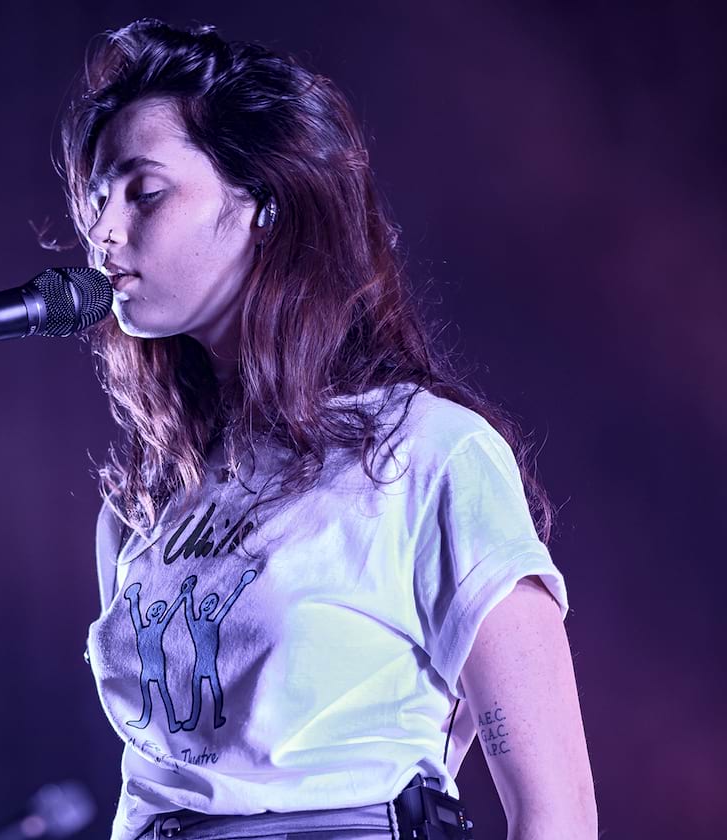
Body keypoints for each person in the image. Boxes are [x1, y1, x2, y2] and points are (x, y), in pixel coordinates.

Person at [55, 19, 597, 840]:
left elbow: (555, 810)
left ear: (260, 204)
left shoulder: (426, 453)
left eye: (144, 192)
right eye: (98, 198)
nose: (103, 234)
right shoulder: (144, 503)